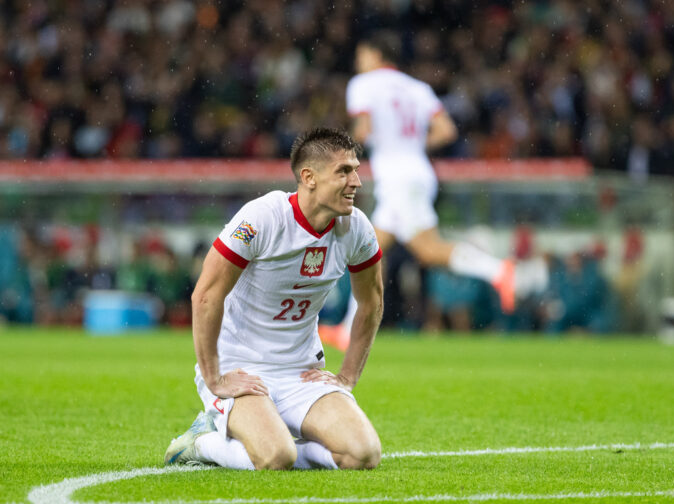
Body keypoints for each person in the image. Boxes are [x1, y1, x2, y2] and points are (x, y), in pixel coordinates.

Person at [164, 127, 384, 471]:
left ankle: (273, 437)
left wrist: (347, 376)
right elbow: (206, 295)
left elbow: (372, 302)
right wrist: (214, 377)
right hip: (241, 367)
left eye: (356, 170)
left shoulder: (356, 227)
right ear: (308, 177)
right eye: (343, 171)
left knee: (363, 455)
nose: (356, 181)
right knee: (276, 457)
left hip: (302, 373)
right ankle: (201, 443)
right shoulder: (263, 217)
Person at [319, 32, 547, 350]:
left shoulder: (363, 84)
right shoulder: (418, 88)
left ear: (375, 54)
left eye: (361, 54)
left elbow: (364, 129)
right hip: (418, 171)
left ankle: (500, 271)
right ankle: (348, 331)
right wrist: (412, 146)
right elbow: (446, 130)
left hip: (397, 177)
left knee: (409, 250)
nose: (358, 61)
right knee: (375, 251)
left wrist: (339, 153)